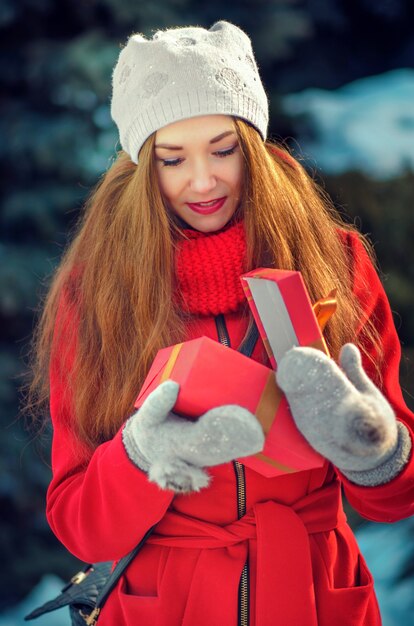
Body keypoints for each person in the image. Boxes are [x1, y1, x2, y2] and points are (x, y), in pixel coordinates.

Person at [28, 20, 414, 626]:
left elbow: (398, 496)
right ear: (139, 166)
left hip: (315, 595)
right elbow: (82, 527)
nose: (203, 180)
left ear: (254, 146)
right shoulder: (95, 291)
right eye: (172, 158)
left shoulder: (331, 258)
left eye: (224, 149)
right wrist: (139, 455)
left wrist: (374, 448)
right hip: (167, 604)